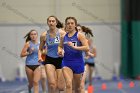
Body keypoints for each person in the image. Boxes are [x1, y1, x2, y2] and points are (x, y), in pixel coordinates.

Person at [58, 17, 89, 93]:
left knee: (77, 88)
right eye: (68, 23)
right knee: (68, 84)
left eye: (72, 23)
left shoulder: (80, 35)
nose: (70, 25)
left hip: (78, 63)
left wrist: (75, 47)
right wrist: (60, 51)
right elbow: (60, 46)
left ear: (75, 25)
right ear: (66, 25)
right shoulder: (63, 37)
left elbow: (87, 48)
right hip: (66, 63)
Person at [38, 15, 66, 93]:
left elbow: (67, 46)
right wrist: (39, 57)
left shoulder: (62, 33)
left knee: (61, 87)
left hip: (61, 60)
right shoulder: (44, 35)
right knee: (52, 84)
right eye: (49, 21)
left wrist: (63, 51)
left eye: (53, 21)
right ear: (47, 23)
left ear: (56, 23)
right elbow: (40, 49)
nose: (51, 23)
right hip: (49, 60)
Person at [77, 24, 96, 93]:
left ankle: (89, 86)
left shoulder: (84, 40)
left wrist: (88, 55)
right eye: (76, 30)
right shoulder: (70, 39)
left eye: (79, 30)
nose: (78, 31)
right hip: (72, 64)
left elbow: (88, 52)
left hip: (84, 63)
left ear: (82, 31)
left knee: (82, 84)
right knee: (74, 86)